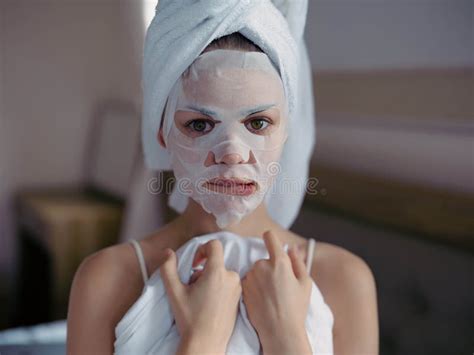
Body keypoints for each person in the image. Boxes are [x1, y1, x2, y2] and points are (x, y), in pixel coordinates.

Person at [67, 3, 378, 354]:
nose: (232, 153)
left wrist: (285, 336)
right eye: (199, 124)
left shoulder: (345, 280)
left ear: (286, 130)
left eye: (258, 122)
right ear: (162, 134)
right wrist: (203, 339)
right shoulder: (106, 280)